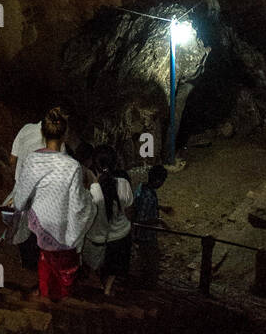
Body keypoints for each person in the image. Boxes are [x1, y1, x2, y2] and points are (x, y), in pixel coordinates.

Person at [12, 106, 96, 301]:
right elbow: (77, 205)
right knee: (65, 278)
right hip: (62, 231)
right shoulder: (72, 166)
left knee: (45, 271)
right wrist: (91, 204)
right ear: (65, 135)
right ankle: (63, 305)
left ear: (43, 132)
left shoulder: (32, 160)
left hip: (40, 229)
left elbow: (21, 199)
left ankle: (47, 303)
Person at [83, 144, 134, 296]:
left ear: (94, 165)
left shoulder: (91, 191)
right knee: (114, 265)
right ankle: (108, 289)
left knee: (97, 262)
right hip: (120, 237)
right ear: (115, 163)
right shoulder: (124, 184)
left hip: (97, 238)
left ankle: (98, 283)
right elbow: (130, 214)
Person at [132, 164, 168, 288]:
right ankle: (147, 285)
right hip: (145, 235)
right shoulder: (148, 196)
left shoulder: (143, 188)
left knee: (148, 259)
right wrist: (159, 221)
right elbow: (142, 220)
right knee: (150, 260)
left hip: (144, 234)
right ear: (158, 180)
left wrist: (161, 208)